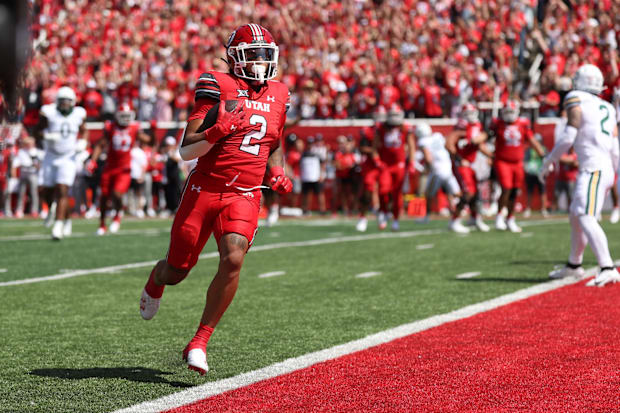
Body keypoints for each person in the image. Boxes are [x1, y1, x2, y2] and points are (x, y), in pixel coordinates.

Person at [139, 23, 292, 375]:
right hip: (205, 189)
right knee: (177, 271)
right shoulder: (219, 85)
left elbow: (274, 142)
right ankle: (155, 280)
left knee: (234, 257)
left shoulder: (280, 93)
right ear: (234, 58)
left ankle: (199, 341)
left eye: (264, 55)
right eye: (252, 54)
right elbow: (187, 148)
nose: (259, 61)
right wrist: (217, 130)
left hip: (245, 193)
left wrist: (277, 172)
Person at [541, 64, 620, 286]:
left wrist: (549, 160)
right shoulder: (608, 107)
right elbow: (615, 146)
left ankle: (607, 267)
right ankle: (574, 265)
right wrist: (613, 170)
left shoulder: (576, 97)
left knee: (585, 215)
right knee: (577, 215)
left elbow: (568, 136)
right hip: (603, 167)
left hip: (593, 167)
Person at [35, 86, 88, 240]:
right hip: (50, 156)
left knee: (62, 189)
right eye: (62, 101)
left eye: (68, 101)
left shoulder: (79, 114)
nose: (65, 104)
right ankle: (61, 214)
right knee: (44, 191)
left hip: (68, 157)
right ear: (57, 101)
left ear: (73, 102)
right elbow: (36, 131)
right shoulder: (49, 112)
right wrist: (46, 136)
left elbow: (84, 130)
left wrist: (83, 142)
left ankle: (58, 225)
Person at [90, 102, 148, 235]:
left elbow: (148, 141)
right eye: (123, 115)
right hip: (109, 167)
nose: (126, 118)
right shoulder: (110, 127)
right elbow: (101, 144)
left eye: (128, 115)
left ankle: (117, 215)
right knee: (104, 197)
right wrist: (93, 161)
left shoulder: (134, 128)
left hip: (124, 169)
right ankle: (102, 224)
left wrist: (154, 133)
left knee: (116, 194)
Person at [490, 99, 545, 233]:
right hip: (502, 161)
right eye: (507, 112)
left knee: (514, 191)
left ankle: (510, 218)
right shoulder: (497, 124)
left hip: (517, 162)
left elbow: (532, 141)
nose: (509, 114)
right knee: (506, 188)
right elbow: (487, 137)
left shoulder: (523, 124)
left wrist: (545, 157)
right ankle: (499, 216)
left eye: (511, 111)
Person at [446, 103, 492, 233]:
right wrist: (458, 158)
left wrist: (492, 156)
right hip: (462, 164)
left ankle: (474, 218)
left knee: (475, 193)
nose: (470, 116)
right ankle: (454, 220)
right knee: (468, 193)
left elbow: (479, 145)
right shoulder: (461, 126)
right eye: (468, 114)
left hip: (471, 164)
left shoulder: (477, 126)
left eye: (472, 113)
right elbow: (449, 142)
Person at [374, 104, 415, 231]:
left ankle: (396, 219)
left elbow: (411, 145)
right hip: (386, 165)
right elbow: (375, 146)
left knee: (397, 194)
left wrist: (412, 162)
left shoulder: (405, 128)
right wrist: (377, 160)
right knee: (383, 190)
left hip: (399, 165)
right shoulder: (381, 127)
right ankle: (383, 211)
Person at [415, 122, 462, 223]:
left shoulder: (423, 141)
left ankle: (426, 217)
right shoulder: (438, 136)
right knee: (456, 193)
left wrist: (427, 169)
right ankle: (457, 212)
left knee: (429, 194)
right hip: (448, 168)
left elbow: (428, 158)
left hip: (437, 171)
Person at [522, 134, 549, 218]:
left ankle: (544, 209)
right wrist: (526, 168)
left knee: (542, 191)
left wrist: (547, 169)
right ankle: (528, 209)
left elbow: (547, 160)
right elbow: (525, 161)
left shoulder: (544, 149)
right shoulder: (529, 150)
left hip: (540, 173)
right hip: (531, 173)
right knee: (530, 191)